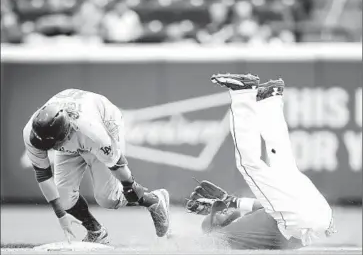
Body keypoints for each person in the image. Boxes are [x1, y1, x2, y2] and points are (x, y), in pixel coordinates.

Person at [186, 73, 336, 250]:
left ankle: (270, 100)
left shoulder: (257, 221)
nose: (220, 213)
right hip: (307, 218)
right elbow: (199, 244)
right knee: (250, 164)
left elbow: (262, 208)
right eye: (217, 217)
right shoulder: (228, 236)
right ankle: (244, 94)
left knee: (283, 162)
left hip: (308, 218)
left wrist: (230, 201)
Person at [22, 89, 170, 244]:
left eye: (52, 144)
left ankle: (154, 200)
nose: (49, 148)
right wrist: (60, 214)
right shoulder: (31, 132)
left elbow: (117, 164)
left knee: (108, 199)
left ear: (65, 134)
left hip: (105, 122)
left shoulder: (93, 132)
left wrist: (130, 185)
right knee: (63, 199)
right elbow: (43, 175)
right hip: (73, 133)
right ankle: (96, 232)